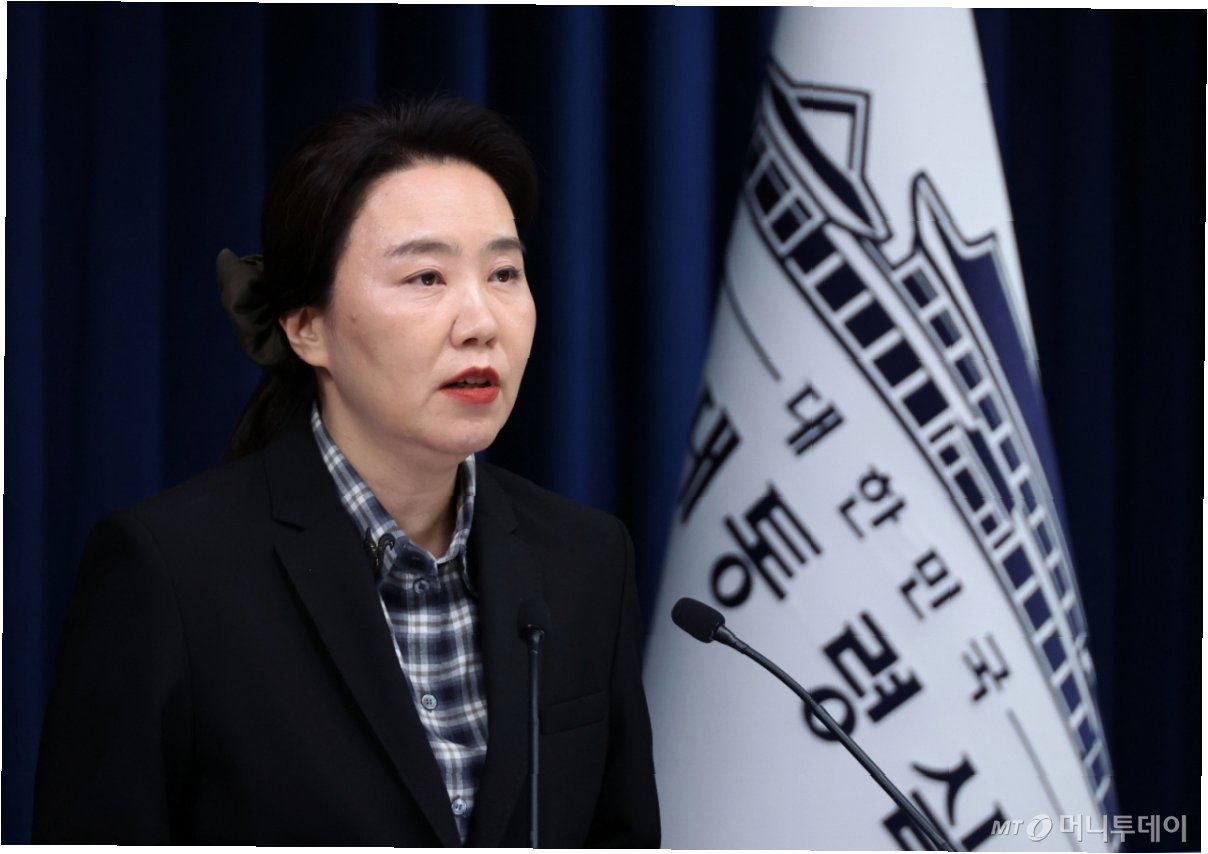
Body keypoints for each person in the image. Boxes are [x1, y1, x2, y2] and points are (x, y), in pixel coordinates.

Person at [33, 96, 660, 846]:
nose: (481, 323)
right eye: (425, 277)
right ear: (306, 326)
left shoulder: (586, 560)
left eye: (503, 273)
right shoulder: (170, 575)